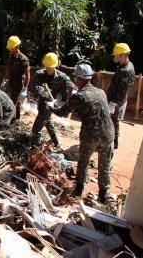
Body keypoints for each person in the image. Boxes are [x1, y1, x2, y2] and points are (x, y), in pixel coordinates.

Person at [48, 64, 114, 203]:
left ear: (79, 78)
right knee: (104, 164)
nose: (75, 80)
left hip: (91, 135)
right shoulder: (101, 91)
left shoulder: (79, 96)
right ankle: (103, 194)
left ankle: (78, 191)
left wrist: (52, 106)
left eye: (76, 78)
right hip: (108, 133)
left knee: (83, 162)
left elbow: (63, 112)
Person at [31, 52, 74, 148]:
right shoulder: (39, 74)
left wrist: (61, 99)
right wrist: (39, 90)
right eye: (47, 67)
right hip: (43, 103)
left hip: (52, 104)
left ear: (56, 65)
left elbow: (71, 87)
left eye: (51, 67)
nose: (49, 69)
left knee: (36, 129)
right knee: (48, 122)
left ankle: (34, 148)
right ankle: (56, 143)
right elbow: (34, 86)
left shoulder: (62, 77)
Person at [106, 43, 135, 149]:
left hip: (116, 100)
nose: (115, 57)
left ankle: (113, 142)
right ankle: (114, 142)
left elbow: (122, 90)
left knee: (113, 120)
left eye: (116, 55)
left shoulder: (125, 70)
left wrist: (113, 104)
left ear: (122, 55)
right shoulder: (126, 65)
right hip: (117, 99)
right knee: (114, 120)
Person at [1, 36, 30, 120]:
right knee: (10, 100)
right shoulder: (10, 56)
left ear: (17, 46)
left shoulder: (23, 59)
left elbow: (27, 75)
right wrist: (5, 79)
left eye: (11, 48)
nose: (10, 49)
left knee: (15, 102)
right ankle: (13, 119)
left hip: (19, 83)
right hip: (11, 82)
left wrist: (25, 89)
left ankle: (14, 120)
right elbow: (9, 69)